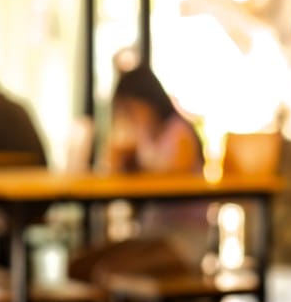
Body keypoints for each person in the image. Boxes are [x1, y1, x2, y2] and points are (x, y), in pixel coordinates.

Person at [69, 63, 213, 286]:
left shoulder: (179, 132)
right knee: (80, 265)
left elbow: (170, 182)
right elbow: (112, 166)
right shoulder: (144, 136)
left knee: (110, 273)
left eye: (129, 107)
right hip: (150, 234)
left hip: (184, 240)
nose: (127, 115)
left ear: (147, 101)